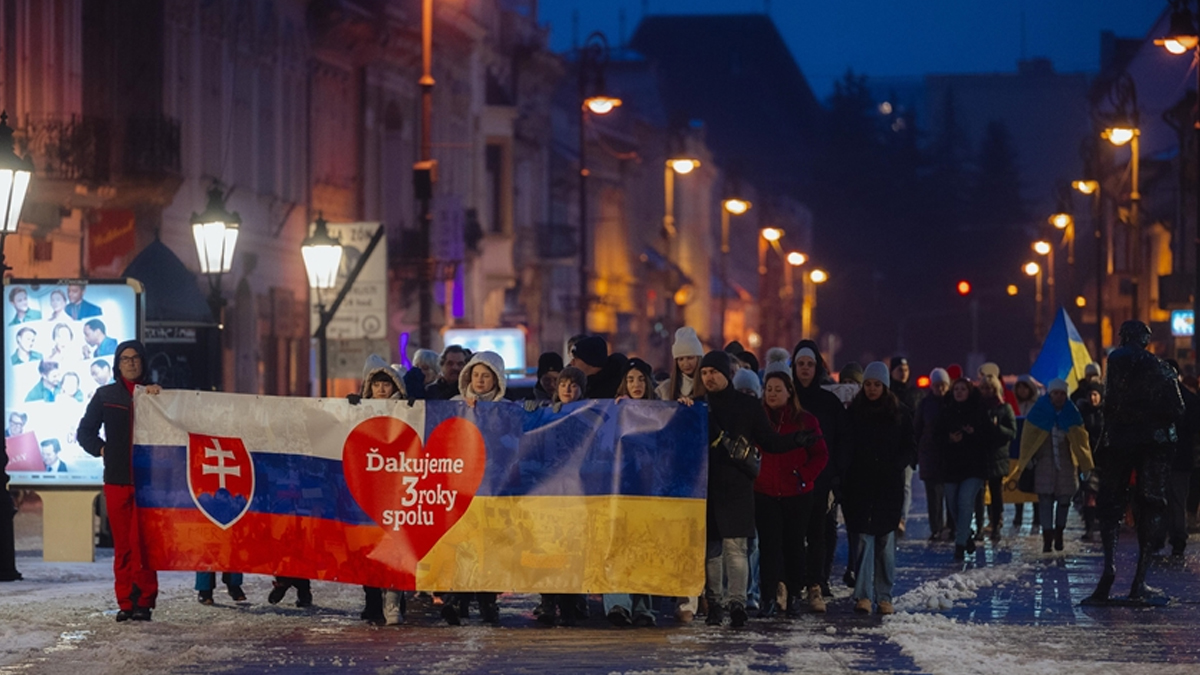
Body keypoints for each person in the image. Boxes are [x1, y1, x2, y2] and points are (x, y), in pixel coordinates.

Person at [679, 351, 821, 628]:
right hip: (706, 486)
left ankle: (737, 603)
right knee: (712, 550)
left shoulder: (747, 405)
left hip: (737, 486)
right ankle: (715, 604)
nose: (708, 377)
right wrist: (681, 410)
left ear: (726, 374)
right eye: (704, 372)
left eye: (714, 372)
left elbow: (769, 441)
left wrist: (797, 440)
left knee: (736, 548)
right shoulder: (696, 406)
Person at [1082, 321, 1184, 605]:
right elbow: (1178, 409)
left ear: (1124, 337)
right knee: (1151, 503)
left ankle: (1109, 571)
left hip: (1119, 440)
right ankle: (1139, 582)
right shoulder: (1160, 368)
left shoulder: (1114, 361)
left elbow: (1109, 404)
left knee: (1111, 502)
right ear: (1145, 340)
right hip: (1152, 443)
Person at [77, 340, 164, 621]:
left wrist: (160, 399)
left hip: (148, 482)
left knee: (145, 545)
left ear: (143, 362)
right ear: (117, 364)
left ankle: (145, 601)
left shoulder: (155, 395)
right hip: (116, 480)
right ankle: (126, 603)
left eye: (135, 358)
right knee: (124, 547)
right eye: (125, 359)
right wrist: (103, 450)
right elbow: (85, 432)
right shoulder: (105, 396)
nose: (130, 363)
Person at [843, 362, 914, 615]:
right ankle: (862, 595)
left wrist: (895, 465)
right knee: (861, 539)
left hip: (888, 485)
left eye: (877, 385)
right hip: (860, 484)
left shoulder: (900, 414)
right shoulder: (854, 413)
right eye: (868, 385)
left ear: (884, 386)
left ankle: (884, 595)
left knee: (885, 541)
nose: (872, 389)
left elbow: (909, 446)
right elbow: (846, 447)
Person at [755, 371, 828, 617]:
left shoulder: (805, 420)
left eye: (778, 389)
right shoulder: (759, 419)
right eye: (769, 389)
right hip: (764, 491)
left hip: (796, 492)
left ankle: (794, 592)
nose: (772, 394)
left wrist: (803, 475)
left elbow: (821, 454)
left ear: (789, 392)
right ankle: (770, 595)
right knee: (769, 546)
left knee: (794, 544)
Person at [444, 350, 507, 625]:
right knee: (462, 545)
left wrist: (488, 415)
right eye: (476, 375)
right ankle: (457, 601)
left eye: (486, 376)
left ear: (497, 379)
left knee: (488, 548)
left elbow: (509, 442)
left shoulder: (506, 408)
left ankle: (487, 602)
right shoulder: (454, 404)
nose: (480, 380)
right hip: (462, 487)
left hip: (493, 487)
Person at [348, 355, 407, 626]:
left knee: (396, 546)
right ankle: (372, 600)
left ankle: (395, 599)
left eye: (386, 384)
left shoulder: (408, 409)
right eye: (376, 385)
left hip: (396, 490)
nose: (381, 390)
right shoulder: (359, 410)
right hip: (367, 490)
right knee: (368, 547)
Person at [1008, 378, 1094, 554]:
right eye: (1056, 393)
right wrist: (1029, 458)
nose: (1059, 397)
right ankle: (1047, 539)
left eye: (1062, 393)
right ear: (1050, 394)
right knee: (1045, 501)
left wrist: (1084, 465)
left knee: (1064, 501)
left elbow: (1081, 441)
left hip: (1066, 465)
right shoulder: (1038, 412)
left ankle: (1059, 533)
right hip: (1044, 465)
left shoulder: (1072, 414)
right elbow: (1028, 439)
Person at [790, 340, 847, 595]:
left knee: (819, 532)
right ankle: (793, 581)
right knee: (792, 533)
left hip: (821, 478)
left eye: (809, 364)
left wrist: (835, 475)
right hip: (789, 478)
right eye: (800, 364)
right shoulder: (786, 398)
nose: (805, 369)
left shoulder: (829, 402)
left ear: (817, 369)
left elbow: (839, 440)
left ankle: (817, 580)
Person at [604, 358, 658, 627]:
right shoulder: (614, 409)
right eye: (630, 379)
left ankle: (643, 607)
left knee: (644, 549)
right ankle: (617, 603)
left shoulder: (661, 410)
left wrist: (684, 408)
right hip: (618, 489)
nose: (635, 384)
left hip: (648, 491)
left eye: (640, 379)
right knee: (617, 545)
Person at [935, 378, 991, 560]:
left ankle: (959, 547)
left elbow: (990, 436)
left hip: (974, 466)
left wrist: (973, 434)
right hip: (952, 467)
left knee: (965, 502)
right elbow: (936, 437)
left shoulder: (979, 411)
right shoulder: (946, 411)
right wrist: (950, 439)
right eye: (956, 389)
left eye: (962, 389)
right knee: (952, 505)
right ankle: (966, 535)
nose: (959, 392)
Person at [1164, 360, 1199, 557]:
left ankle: (1169, 537)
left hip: (1166, 457)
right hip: (1181, 458)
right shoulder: (1190, 399)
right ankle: (1177, 538)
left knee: (1165, 500)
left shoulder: (1158, 397)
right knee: (1177, 501)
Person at [978, 374, 1017, 542]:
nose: (987, 391)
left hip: (997, 456)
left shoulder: (1004, 408)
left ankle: (996, 525)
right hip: (980, 455)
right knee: (978, 494)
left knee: (996, 493)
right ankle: (979, 526)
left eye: (990, 388)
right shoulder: (977, 408)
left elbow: (1012, 432)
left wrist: (997, 428)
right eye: (984, 388)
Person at [915, 368, 952, 541]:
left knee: (951, 495)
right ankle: (936, 528)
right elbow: (918, 429)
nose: (940, 389)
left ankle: (951, 526)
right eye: (937, 385)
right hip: (930, 454)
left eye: (943, 385)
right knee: (934, 496)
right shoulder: (925, 404)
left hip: (949, 455)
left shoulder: (952, 402)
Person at [1011, 374, 1042, 531]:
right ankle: (1018, 515)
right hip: (1018, 451)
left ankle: (1037, 517)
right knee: (1019, 483)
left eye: (1025, 387)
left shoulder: (1038, 406)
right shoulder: (1013, 405)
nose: (1022, 390)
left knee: (1035, 484)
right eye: (1019, 387)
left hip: (1034, 450)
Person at [1076, 382, 1104, 541]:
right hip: (1088, 459)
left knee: (1104, 495)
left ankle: (1104, 524)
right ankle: (1089, 528)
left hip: (1105, 460)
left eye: (1095, 394)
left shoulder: (1107, 412)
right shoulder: (1083, 413)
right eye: (1090, 395)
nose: (1093, 398)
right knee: (1090, 494)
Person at [656, 327, 706, 403]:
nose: (685, 363)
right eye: (681, 359)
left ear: (699, 358)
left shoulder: (708, 385)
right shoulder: (665, 389)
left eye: (690, 358)